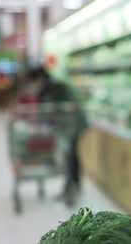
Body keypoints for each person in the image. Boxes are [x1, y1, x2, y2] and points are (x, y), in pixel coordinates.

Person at [26, 66, 87, 205]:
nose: (31, 85)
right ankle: (73, 187)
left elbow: (65, 108)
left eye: (33, 81)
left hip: (73, 125)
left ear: (40, 78)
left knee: (70, 156)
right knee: (71, 155)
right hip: (66, 127)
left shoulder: (57, 87)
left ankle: (71, 188)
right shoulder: (48, 89)